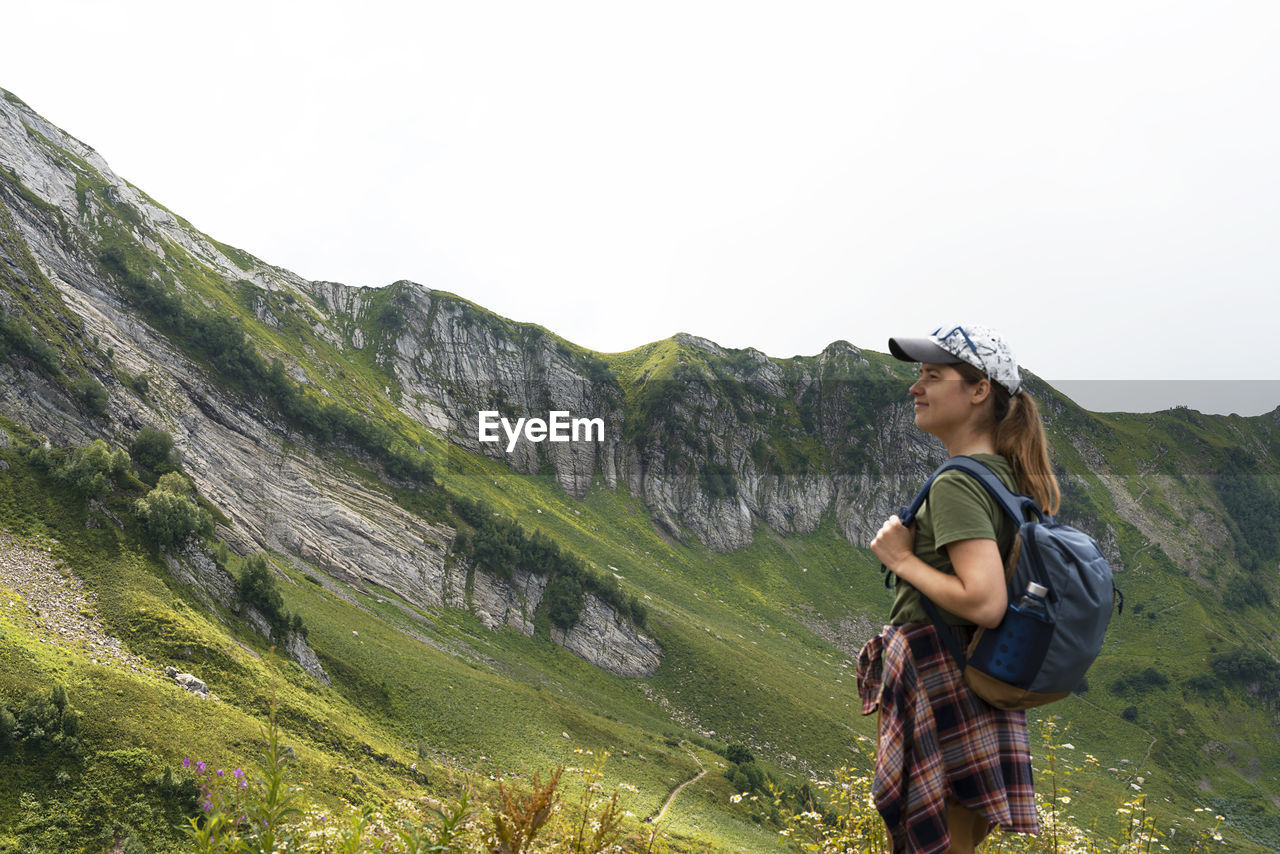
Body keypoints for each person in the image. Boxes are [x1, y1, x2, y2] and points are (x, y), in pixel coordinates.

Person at [857, 324, 1058, 854]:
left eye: (931, 375)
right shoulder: (1004, 478)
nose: (915, 388)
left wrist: (900, 558)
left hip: (940, 678)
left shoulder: (958, 482)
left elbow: (985, 601)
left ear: (978, 390)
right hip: (972, 679)